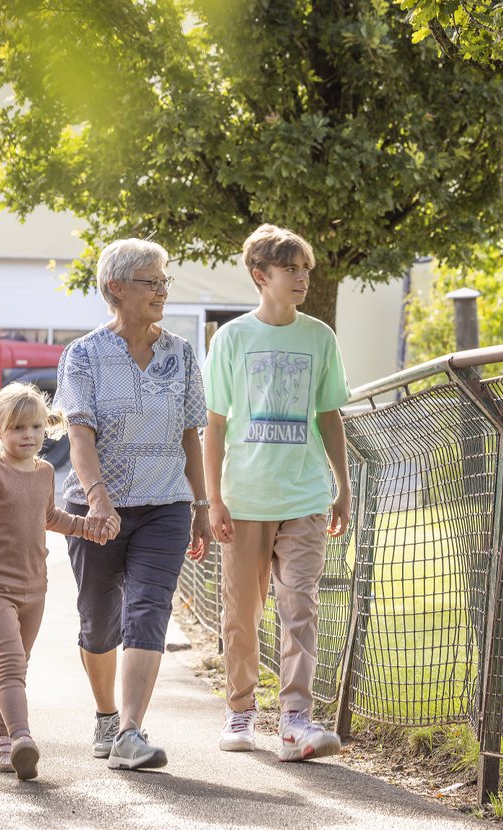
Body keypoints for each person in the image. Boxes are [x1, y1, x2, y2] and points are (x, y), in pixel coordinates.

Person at [54, 237, 212, 772]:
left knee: (149, 610)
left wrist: (201, 504)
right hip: (99, 510)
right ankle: (105, 714)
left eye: (165, 281)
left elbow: (191, 436)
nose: (162, 291)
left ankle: (129, 732)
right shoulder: (84, 355)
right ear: (115, 289)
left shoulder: (181, 353)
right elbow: (80, 436)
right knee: (100, 622)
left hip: (165, 503)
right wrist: (98, 499)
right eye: (152, 281)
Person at [202, 224, 351, 762]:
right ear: (261, 276)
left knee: (300, 607)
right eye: (292, 269)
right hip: (245, 498)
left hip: (305, 494)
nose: (303, 278)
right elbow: (214, 424)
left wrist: (342, 485)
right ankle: (240, 710)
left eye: (306, 269)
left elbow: (330, 415)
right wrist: (214, 499)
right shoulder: (233, 338)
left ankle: (295, 720)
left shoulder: (319, 337)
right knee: (243, 614)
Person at [0, 383, 113, 781]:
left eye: (36, 427)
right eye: (19, 428)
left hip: (34, 589)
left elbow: (50, 517)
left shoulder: (44, 472)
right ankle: (22, 738)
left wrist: (89, 528)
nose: (29, 436)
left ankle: (0, 740)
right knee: (9, 666)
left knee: (18, 667)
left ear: (46, 428)